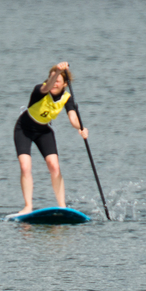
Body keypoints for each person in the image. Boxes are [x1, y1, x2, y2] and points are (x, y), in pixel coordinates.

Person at [13, 61, 89, 214]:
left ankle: (62, 206)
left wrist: (81, 128)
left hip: (44, 131)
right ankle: (28, 206)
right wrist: (56, 73)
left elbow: (73, 118)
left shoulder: (67, 98)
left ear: (65, 84)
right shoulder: (40, 90)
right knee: (25, 166)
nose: (53, 83)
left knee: (54, 166)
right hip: (24, 129)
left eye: (58, 81)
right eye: (51, 79)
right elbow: (47, 87)